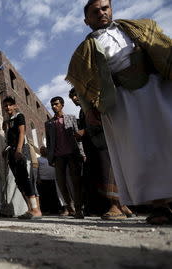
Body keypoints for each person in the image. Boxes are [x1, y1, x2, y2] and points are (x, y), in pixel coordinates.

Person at [66, 0, 172, 224]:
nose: (102, 13)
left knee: (167, 139)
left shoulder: (137, 28)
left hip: (153, 89)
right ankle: (160, 206)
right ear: (87, 20)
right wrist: (89, 109)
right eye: (95, 12)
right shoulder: (84, 52)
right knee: (139, 150)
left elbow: (161, 49)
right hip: (120, 100)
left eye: (105, 8)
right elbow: (81, 83)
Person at [69, 88, 133, 220]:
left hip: (104, 142)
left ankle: (116, 207)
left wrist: (84, 132)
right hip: (94, 146)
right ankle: (123, 206)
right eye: (72, 97)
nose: (74, 98)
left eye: (76, 95)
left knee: (108, 173)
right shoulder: (83, 111)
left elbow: (103, 122)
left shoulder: (94, 104)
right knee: (101, 175)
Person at [45, 97, 86, 219]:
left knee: (76, 182)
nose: (53, 107)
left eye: (56, 104)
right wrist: (49, 158)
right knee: (61, 183)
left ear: (62, 105)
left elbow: (78, 136)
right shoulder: (49, 123)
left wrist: (82, 153)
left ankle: (79, 209)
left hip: (72, 154)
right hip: (58, 157)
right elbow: (49, 142)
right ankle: (70, 207)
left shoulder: (71, 118)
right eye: (52, 105)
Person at [2, 96, 42, 219]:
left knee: (25, 178)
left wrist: (19, 150)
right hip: (11, 151)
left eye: (10, 105)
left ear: (14, 106)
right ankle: (29, 209)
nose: (8, 107)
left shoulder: (19, 116)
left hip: (20, 150)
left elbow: (22, 133)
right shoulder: (8, 121)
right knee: (19, 181)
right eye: (5, 105)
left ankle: (36, 210)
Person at [36, 146, 62, 215]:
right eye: (41, 149)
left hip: (53, 180)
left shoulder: (52, 158)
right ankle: (45, 210)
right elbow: (37, 170)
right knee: (44, 196)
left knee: (54, 196)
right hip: (43, 180)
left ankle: (55, 210)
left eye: (44, 149)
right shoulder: (38, 159)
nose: (43, 151)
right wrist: (38, 179)